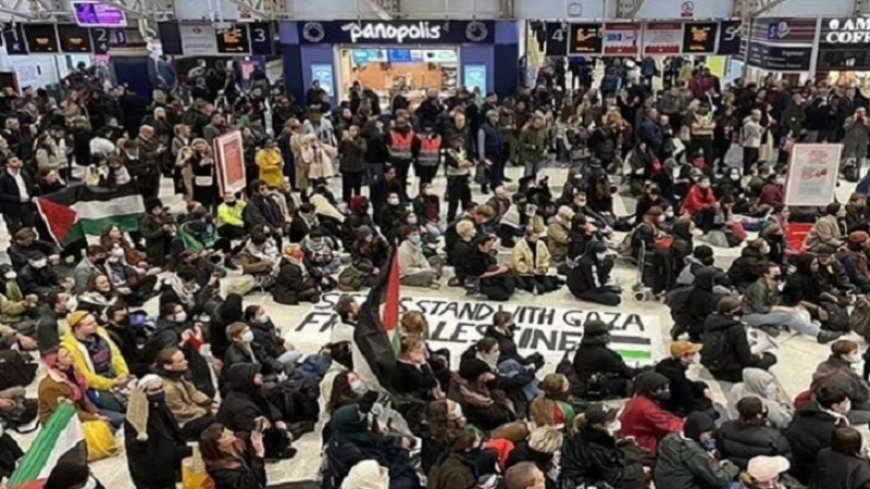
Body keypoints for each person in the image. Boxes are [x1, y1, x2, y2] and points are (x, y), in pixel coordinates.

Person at [125, 374, 192, 489]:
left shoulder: (160, 406)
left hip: (167, 460)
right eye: (154, 390)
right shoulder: (134, 415)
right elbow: (131, 446)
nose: (159, 392)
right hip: (150, 469)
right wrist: (140, 440)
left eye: (161, 388)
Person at [560, 403, 647, 489]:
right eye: (610, 420)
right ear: (597, 426)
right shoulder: (593, 448)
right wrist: (639, 470)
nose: (615, 421)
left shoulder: (588, 436)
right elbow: (612, 475)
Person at [60, 311, 129, 414]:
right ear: (77, 328)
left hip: (112, 371)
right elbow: (86, 376)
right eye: (89, 324)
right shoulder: (70, 347)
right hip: (96, 383)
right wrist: (112, 383)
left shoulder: (101, 332)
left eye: (94, 321)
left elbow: (116, 354)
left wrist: (123, 373)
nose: (95, 325)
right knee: (119, 407)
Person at [653, 411, 740, 489]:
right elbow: (721, 480)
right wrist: (731, 467)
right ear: (697, 431)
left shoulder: (669, 438)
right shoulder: (694, 452)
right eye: (708, 433)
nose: (710, 437)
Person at [701, 295, 777, 383]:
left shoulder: (710, 320)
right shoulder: (736, 329)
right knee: (771, 358)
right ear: (729, 312)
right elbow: (746, 358)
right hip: (729, 370)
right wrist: (758, 357)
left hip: (713, 365)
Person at [784, 385, 851, 483]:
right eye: (845, 402)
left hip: (796, 461)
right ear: (835, 406)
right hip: (813, 470)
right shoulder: (832, 431)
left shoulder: (805, 410)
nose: (848, 403)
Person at [153, 347, 216, 440]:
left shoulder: (177, 375)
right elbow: (181, 413)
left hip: (193, 410)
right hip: (183, 424)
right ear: (168, 366)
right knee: (216, 421)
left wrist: (209, 402)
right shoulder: (167, 388)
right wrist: (206, 410)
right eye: (180, 361)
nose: (186, 362)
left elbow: (193, 392)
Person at [717, 397, 792, 470]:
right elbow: (786, 459)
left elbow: (720, 448)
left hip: (734, 469)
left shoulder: (726, 427)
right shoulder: (775, 437)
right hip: (761, 473)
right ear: (759, 414)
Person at [619, 371, 685, 454]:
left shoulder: (639, 400)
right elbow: (667, 423)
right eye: (663, 388)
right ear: (652, 390)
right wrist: (689, 426)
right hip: (643, 445)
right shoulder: (646, 408)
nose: (667, 391)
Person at [572, 320, 638, 400]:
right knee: (629, 383)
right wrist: (643, 370)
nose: (608, 335)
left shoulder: (582, 348)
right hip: (592, 390)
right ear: (597, 336)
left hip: (585, 383)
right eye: (605, 333)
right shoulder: (603, 354)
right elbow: (627, 373)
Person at [812, 340, 870, 424]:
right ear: (844, 356)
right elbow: (862, 395)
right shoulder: (844, 376)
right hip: (838, 410)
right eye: (855, 352)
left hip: (832, 400)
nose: (859, 354)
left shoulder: (824, 365)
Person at [199, 422, 268, 489]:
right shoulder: (219, 471)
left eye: (226, 430)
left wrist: (258, 425)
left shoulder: (235, 447)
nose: (230, 432)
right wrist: (259, 453)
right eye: (224, 436)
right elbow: (250, 485)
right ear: (219, 448)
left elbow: (247, 433)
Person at [655, 341, 714, 418]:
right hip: (672, 408)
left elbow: (686, 383)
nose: (695, 356)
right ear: (683, 357)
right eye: (692, 354)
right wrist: (709, 401)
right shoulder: (676, 377)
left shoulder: (667, 364)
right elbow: (689, 403)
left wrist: (702, 387)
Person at [727, 368, 794, 430]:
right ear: (758, 385)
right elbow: (786, 422)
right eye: (767, 383)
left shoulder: (737, 389)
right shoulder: (770, 406)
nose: (772, 386)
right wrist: (782, 401)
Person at [567, 240, 621, 305]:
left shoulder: (589, 258)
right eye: (600, 252)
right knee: (614, 299)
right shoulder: (588, 263)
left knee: (609, 262)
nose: (603, 254)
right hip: (581, 289)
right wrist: (609, 288)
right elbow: (596, 287)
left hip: (591, 283)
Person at [511, 227, 558, 294]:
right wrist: (530, 270)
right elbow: (517, 262)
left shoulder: (541, 244)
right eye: (534, 237)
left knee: (549, 287)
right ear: (528, 236)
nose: (536, 239)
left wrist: (544, 267)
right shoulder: (519, 246)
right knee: (540, 290)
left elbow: (546, 257)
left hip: (539, 271)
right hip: (526, 274)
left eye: (537, 237)